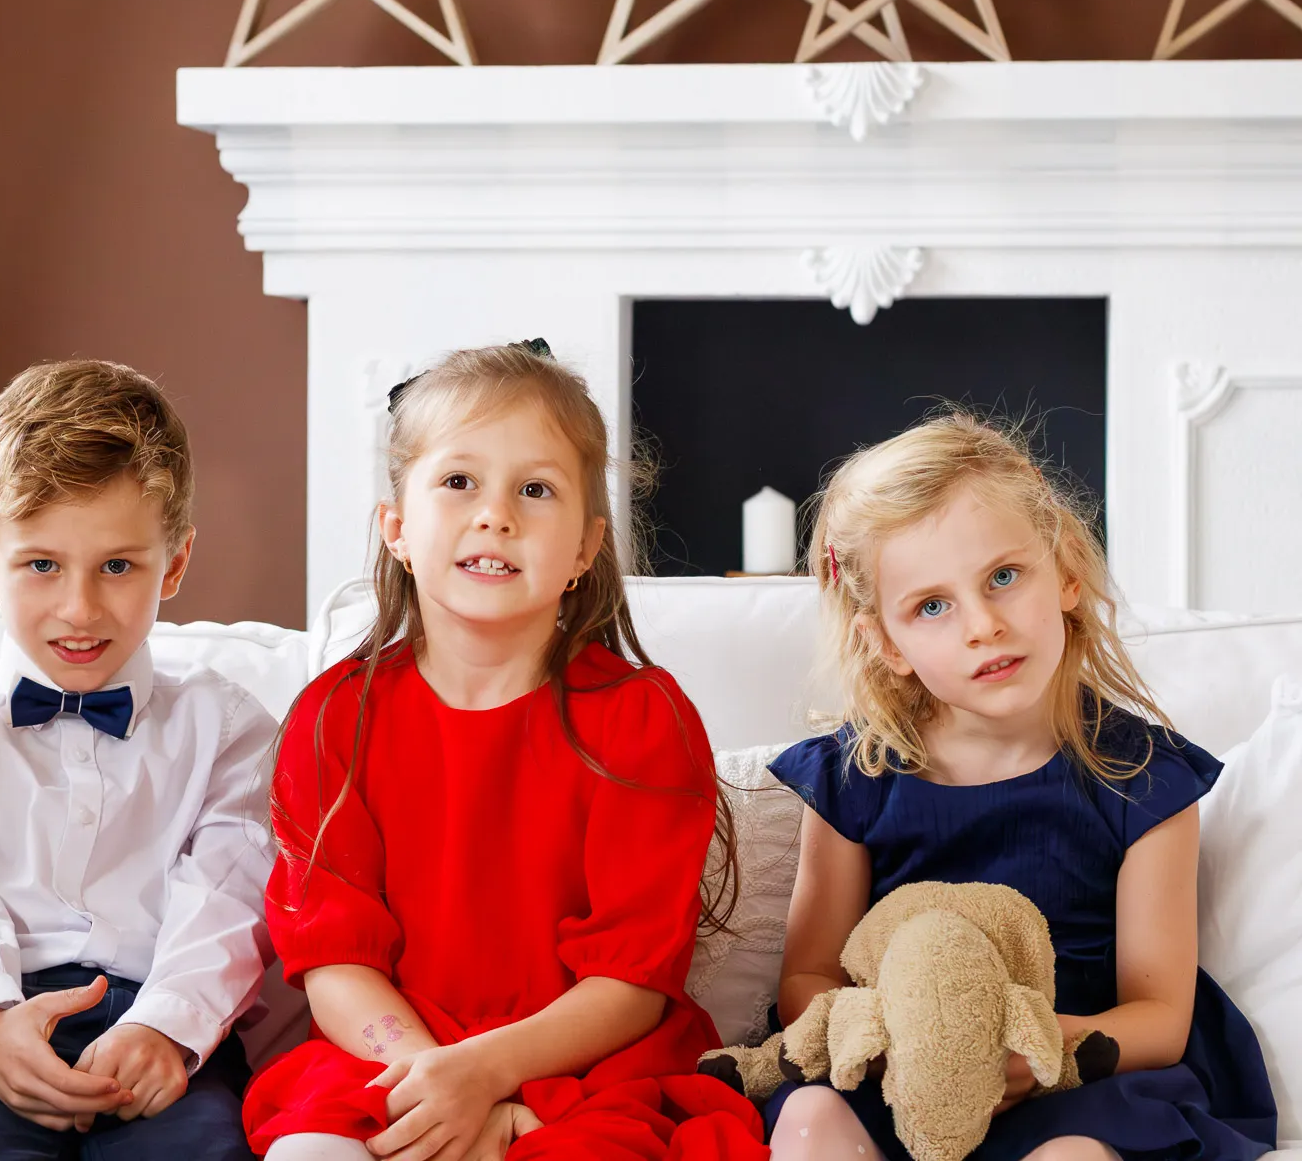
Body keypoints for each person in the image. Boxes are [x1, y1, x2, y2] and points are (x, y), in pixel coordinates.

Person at [244, 341, 767, 1161]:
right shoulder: (333, 717)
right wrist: (436, 1084)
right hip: (390, 1057)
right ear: (397, 529)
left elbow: (631, 982)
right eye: (459, 481)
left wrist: (486, 1074)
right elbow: (334, 961)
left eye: (535, 489)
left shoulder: (642, 719)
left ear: (586, 549)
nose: (496, 514)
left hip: (588, 1066)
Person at [767, 413, 1276, 1161]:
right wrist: (914, 1047)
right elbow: (806, 980)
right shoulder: (856, 776)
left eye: (1004, 578)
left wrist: (1016, 1056)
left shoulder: (1145, 779)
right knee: (810, 1116)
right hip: (894, 1071)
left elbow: (1160, 1017)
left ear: (1065, 570)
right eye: (932, 606)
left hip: (1077, 1077)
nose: (983, 625)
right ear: (886, 643)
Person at [0, 360, 274, 1161]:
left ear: (176, 562)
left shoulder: (229, 726)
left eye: (118, 566)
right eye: (42, 565)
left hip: (164, 1028)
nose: (80, 608)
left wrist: (165, 1026)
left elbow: (230, 900)